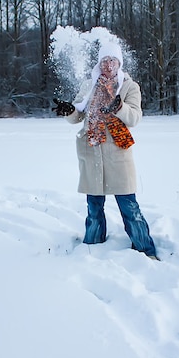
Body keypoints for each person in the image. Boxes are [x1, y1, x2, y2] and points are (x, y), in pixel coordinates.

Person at [52, 41, 159, 260]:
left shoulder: (129, 87)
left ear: (119, 63)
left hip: (117, 152)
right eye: (104, 61)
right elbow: (78, 116)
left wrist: (119, 107)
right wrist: (68, 111)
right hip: (91, 151)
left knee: (129, 207)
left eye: (112, 61)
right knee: (94, 208)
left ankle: (145, 250)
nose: (108, 65)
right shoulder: (89, 85)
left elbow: (135, 117)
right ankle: (92, 247)